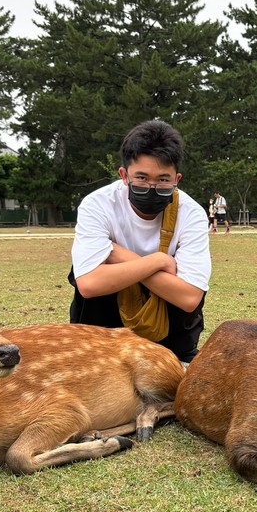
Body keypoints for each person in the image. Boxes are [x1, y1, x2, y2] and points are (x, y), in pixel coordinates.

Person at [68, 120, 211, 366]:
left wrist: (117, 255)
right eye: (142, 178)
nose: (152, 188)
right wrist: (159, 261)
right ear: (124, 176)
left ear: (177, 179)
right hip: (104, 336)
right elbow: (89, 284)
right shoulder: (98, 205)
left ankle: (179, 358)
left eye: (163, 180)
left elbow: (189, 298)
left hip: (171, 341)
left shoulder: (192, 213)